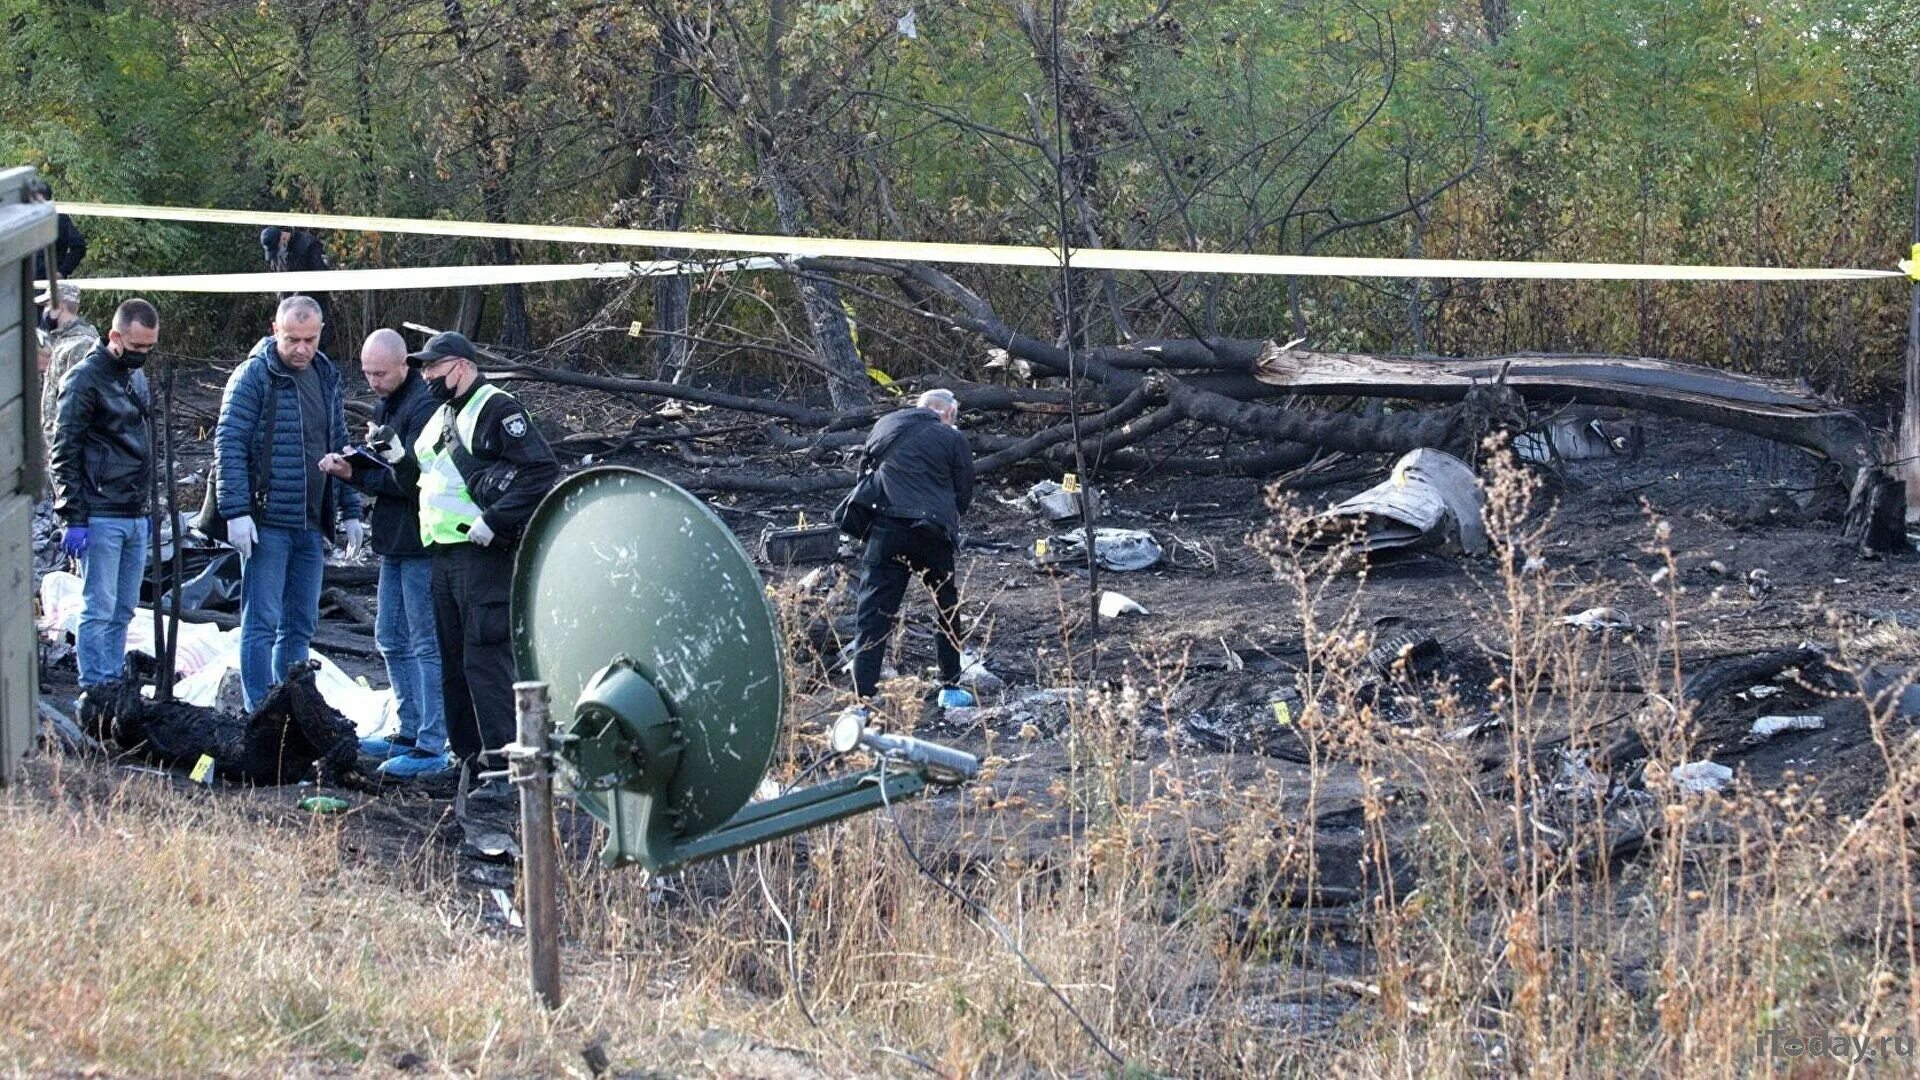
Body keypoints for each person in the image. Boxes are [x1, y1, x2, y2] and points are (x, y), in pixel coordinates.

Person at [405, 330, 559, 778]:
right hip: (444, 554)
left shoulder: (497, 407)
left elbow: (540, 470)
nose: (428, 376)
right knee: (453, 663)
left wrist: (496, 520)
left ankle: (504, 767)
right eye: (426, 369)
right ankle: (469, 761)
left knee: (485, 660)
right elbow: (430, 473)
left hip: (483, 555)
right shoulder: (444, 413)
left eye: (435, 367)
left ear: (462, 367)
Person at [214, 295, 366, 712]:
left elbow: (339, 444)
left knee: (300, 624)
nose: (301, 348)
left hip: (310, 521)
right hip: (267, 520)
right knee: (261, 621)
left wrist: (350, 510)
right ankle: (258, 711)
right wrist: (236, 511)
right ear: (274, 331)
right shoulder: (254, 376)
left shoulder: (324, 375)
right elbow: (229, 441)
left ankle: (293, 708)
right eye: (292, 339)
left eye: (310, 339)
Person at [318, 330, 450, 779]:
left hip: (421, 540)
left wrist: (357, 473)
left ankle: (433, 743)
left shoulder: (424, 407)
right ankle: (409, 727)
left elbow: (414, 480)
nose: (371, 381)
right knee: (390, 637)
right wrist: (356, 469)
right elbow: (389, 471)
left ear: (403, 365)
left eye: (379, 373)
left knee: (424, 642)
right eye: (366, 372)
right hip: (393, 539)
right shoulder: (387, 402)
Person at [49, 299, 157, 693]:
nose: (143, 355)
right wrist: (73, 516)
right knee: (99, 607)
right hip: (100, 510)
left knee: (125, 607)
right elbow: (63, 450)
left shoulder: (135, 378)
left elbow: (140, 443)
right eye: (137, 347)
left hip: (133, 509)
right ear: (115, 337)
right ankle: (95, 688)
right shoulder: (83, 379)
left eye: (149, 348)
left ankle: (112, 681)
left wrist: (146, 507)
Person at [846, 388, 976, 717]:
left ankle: (861, 701)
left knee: (873, 612)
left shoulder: (886, 424)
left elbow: (864, 471)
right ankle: (950, 685)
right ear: (947, 413)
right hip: (932, 535)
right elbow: (964, 494)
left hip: (886, 531)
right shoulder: (952, 437)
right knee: (945, 604)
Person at [259, 225, 333, 356]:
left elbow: (323, 280)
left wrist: (298, 299)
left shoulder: (309, 245)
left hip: (313, 310)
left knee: (315, 352)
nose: (276, 253)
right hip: (289, 315)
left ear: (283, 238)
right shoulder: (277, 252)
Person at [38, 281, 99, 430]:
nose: (45, 312)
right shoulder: (61, 341)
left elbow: (78, 404)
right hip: (52, 442)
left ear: (59, 306)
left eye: (47, 305)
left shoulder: (81, 344)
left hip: (65, 442)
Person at [28, 179, 87, 281]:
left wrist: (62, 272)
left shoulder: (60, 219)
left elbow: (79, 247)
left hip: (48, 285)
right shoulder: (24, 220)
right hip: (23, 284)